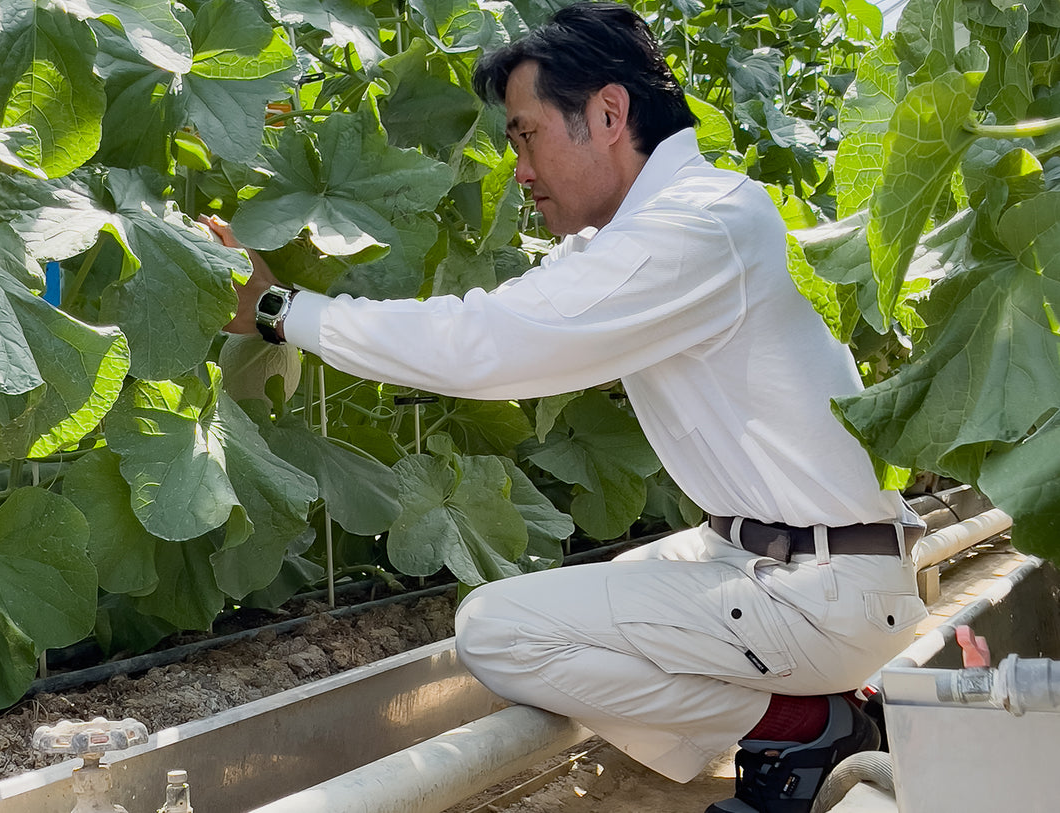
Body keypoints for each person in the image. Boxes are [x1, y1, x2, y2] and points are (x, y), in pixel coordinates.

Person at [211, 3, 925, 811]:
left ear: (608, 114)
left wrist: (279, 311)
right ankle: (804, 716)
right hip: (782, 559)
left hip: (815, 586)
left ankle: (808, 721)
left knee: (500, 629)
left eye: (524, 135)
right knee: (596, 604)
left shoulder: (693, 228)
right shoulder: (679, 220)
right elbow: (509, 315)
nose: (518, 168)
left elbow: (489, 343)